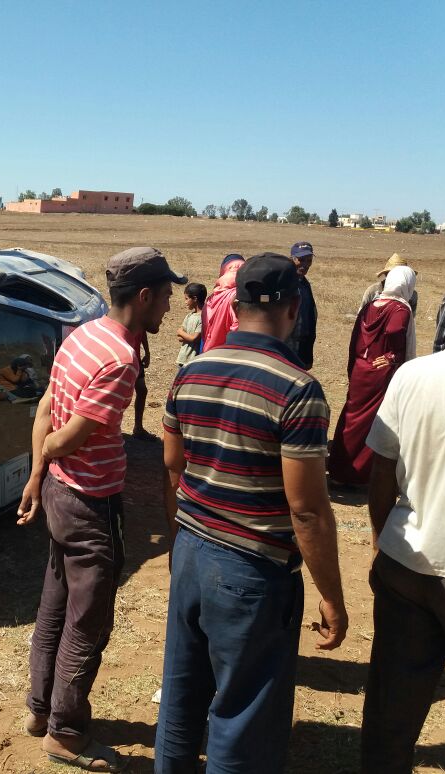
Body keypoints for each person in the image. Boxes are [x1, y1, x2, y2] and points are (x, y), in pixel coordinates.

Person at [156, 252, 347, 774]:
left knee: (181, 696)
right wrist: (332, 597)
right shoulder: (297, 389)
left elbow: (174, 464)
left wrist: (194, 522)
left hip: (192, 551)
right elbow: (306, 510)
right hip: (253, 570)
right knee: (243, 718)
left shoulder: (192, 370)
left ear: (234, 306)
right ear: (293, 310)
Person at [17, 246, 186, 772]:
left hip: (60, 496)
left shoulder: (82, 334)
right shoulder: (121, 360)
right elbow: (66, 436)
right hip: (90, 505)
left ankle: (40, 709)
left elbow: (46, 405)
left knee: (54, 606)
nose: (168, 307)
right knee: (87, 622)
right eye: (164, 296)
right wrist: (48, 454)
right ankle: (65, 734)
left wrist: (37, 476)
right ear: (143, 296)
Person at [362, 251, 445, 773]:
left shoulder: (414, 376)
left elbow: (380, 472)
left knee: (392, 708)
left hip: (405, 562)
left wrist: (378, 539)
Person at [327, 266, 417, 486]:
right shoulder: (400, 309)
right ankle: (359, 474)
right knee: (373, 422)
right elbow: (396, 330)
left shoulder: (371, 305)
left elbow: (355, 338)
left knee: (352, 418)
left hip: (361, 369)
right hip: (380, 374)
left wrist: (354, 366)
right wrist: (393, 355)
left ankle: (339, 467)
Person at [285, 241, 317, 369]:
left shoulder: (304, 282)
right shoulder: (286, 282)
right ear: (292, 258)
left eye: (308, 260)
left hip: (303, 343)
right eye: (301, 259)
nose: (305, 264)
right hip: (287, 345)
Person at [200, 254, 244, 351]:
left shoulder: (211, 299)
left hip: (209, 353)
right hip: (232, 354)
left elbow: (205, 330)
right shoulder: (243, 296)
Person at [175, 283, 206, 368]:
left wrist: (181, 332)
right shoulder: (189, 316)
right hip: (183, 359)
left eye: (187, 299)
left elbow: (193, 338)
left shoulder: (203, 317)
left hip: (194, 361)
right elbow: (179, 338)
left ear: (195, 298)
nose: (185, 302)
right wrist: (185, 335)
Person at [131, 333, 156, 440]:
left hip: (136, 359)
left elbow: (143, 333)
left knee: (142, 391)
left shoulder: (139, 319)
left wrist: (147, 352)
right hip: (124, 359)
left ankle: (138, 428)